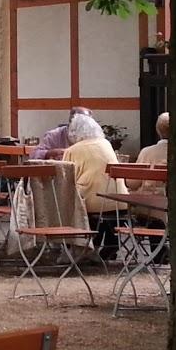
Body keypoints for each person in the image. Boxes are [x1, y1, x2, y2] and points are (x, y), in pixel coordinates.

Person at [61, 111, 124, 260]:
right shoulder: (106, 144)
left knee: (64, 203)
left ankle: (75, 250)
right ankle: (95, 249)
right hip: (119, 201)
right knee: (97, 204)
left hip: (91, 203)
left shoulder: (72, 150)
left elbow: (66, 181)